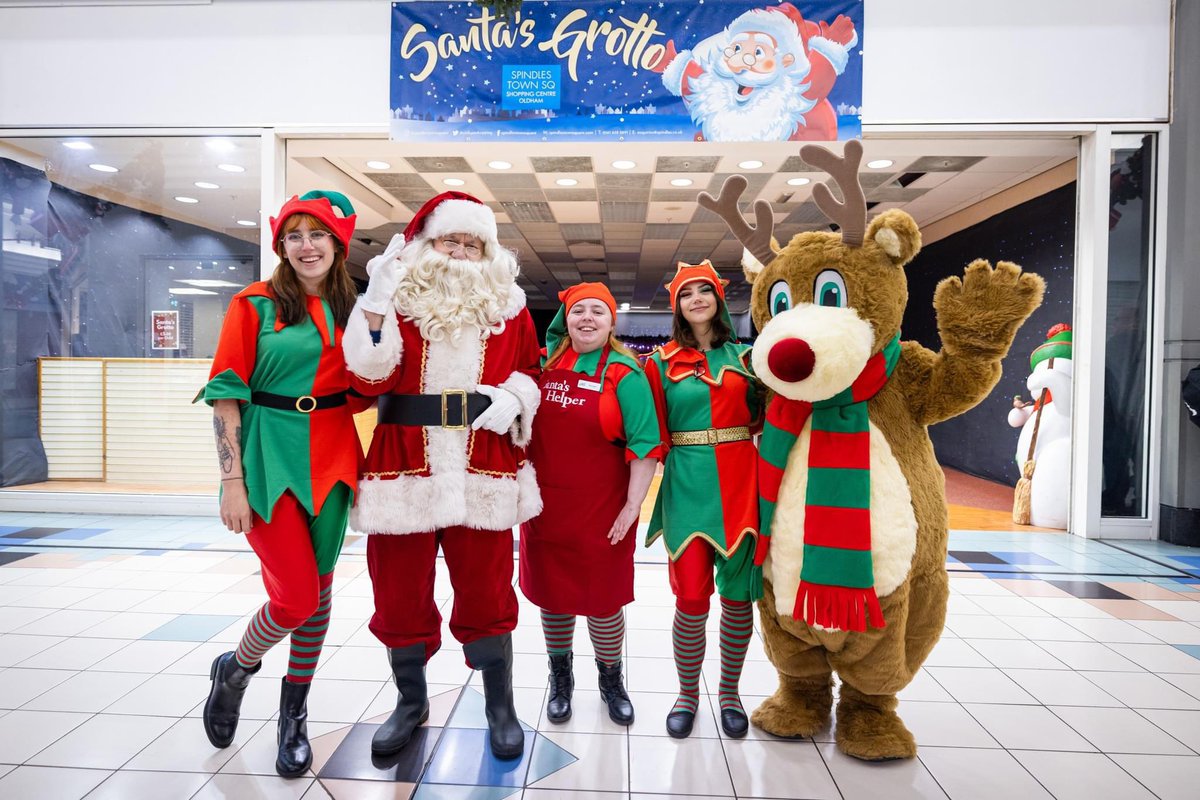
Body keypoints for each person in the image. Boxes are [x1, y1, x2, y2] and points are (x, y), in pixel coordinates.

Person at [342, 191, 541, 760]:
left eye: (471, 243)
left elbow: (531, 369)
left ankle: (499, 705)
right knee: (398, 591)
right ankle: (411, 702)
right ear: (427, 246)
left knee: (488, 589)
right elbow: (369, 377)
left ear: (487, 252)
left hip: (484, 463)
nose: (459, 252)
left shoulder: (510, 305)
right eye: (449, 240)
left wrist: (514, 395)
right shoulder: (395, 301)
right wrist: (374, 302)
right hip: (403, 462)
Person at [199, 191, 364, 777]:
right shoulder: (256, 304)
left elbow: (370, 385)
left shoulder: (355, 311)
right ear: (280, 246)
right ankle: (237, 668)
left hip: (334, 451)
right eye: (293, 235)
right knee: (293, 596)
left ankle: (292, 716)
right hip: (268, 452)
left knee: (317, 595)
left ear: (338, 243)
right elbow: (224, 394)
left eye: (317, 234)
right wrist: (231, 480)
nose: (306, 245)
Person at [519, 283, 663, 726]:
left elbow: (645, 445)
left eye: (597, 311)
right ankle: (560, 677)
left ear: (610, 321)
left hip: (604, 509)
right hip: (545, 507)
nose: (587, 318)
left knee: (603, 601)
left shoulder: (625, 372)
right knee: (553, 597)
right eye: (578, 310)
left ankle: (610, 678)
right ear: (566, 319)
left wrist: (632, 506)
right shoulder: (543, 366)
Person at [644, 260, 764, 739]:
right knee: (691, 598)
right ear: (677, 305)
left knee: (738, 598)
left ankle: (730, 693)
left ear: (718, 299)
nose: (696, 299)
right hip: (686, 486)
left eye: (705, 291)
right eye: (687, 293)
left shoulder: (751, 359)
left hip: (741, 485)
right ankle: (687, 695)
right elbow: (646, 430)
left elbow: (769, 418)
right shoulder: (657, 363)